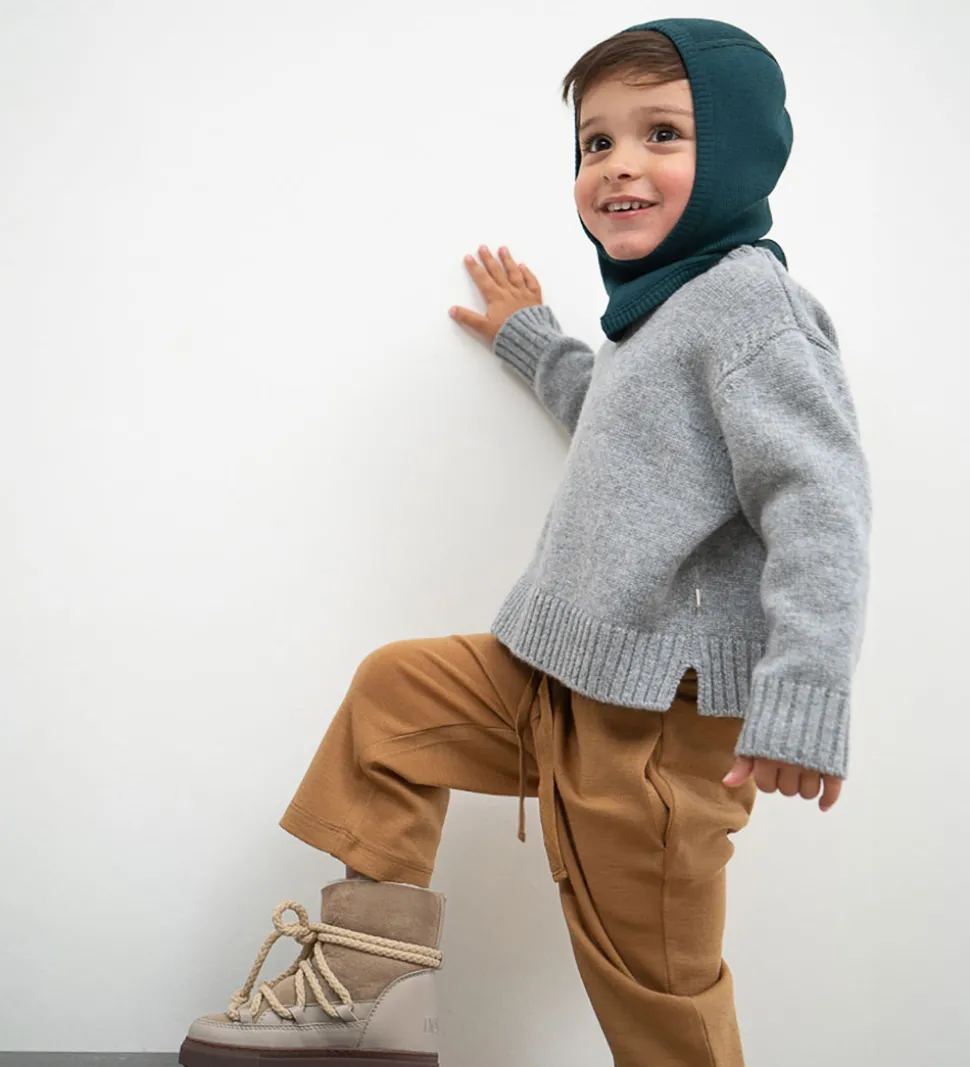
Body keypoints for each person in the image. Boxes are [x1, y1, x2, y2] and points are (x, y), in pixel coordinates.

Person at [178, 17, 872, 1067]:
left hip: (659, 720)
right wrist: (532, 338)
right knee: (396, 697)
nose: (619, 163)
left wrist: (804, 690)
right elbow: (615, 428)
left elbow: (819, 496)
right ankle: (368, 984)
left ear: (737, 153)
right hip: (555, 676)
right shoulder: (660, 307)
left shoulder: (748, 302)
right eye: (596, 142)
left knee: (654, 980)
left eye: (662, 134)